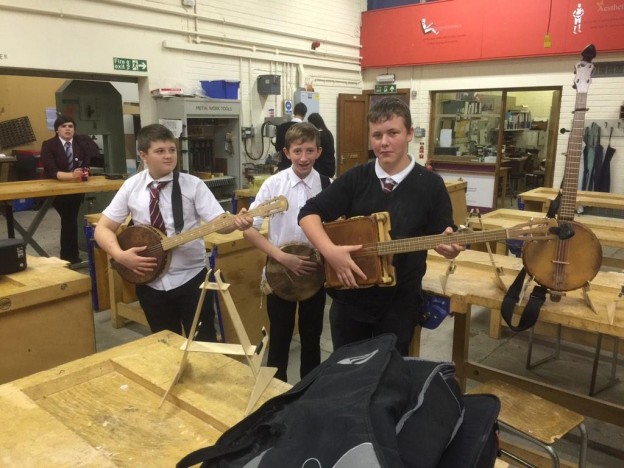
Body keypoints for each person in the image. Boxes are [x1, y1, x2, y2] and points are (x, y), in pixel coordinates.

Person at [298, 96, 463, 356]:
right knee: (349, 374)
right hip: (350, 301)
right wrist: (330, 252)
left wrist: (450, 248)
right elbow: (308, 213)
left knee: (390, 375)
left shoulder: (430, 185)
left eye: (392, 133)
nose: (383, 143)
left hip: (400, 304)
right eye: (376, 135)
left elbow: (445, 235)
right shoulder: (355, 178)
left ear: (409, 133)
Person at [94, 123, 252, 341]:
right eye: (160, 151)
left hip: (191, 279)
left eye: (172, 150)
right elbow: (102, 228)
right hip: (149, 282)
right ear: (143, 155)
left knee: (204, 344)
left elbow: (219, 223)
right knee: (165, 345)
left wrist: (236, 223)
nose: (169, 156)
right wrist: (121, 256)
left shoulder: (193, 185)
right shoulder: (132, 186)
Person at [244, 123, 328, 382]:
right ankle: (276, 395)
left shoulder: (328, 184)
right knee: (279, 338)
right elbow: (249, 229)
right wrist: (281, 257)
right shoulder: (273, 185)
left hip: (315, 273)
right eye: (297, 151)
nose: (304, 158)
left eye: (310, 151)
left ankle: (309, 393)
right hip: (280, 272)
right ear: (286, 152)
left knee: (312, 338)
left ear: (319, 152)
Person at [41, 115, 100, 265]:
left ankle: (70, 256)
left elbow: (87, 164)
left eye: (70, 126)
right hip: (55, 188)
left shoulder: (82, 143)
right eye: (63, 126)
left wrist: (82, 174)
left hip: (76, 188)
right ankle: (70, 256)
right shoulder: (48, 145)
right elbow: (51, 171)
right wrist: (71, 175)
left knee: (70, 220)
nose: (67, 129)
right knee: (69, 219)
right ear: (57, 130)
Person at [276, 102, 307, 171]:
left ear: (294, 112)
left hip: (285, 165)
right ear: (304, 114)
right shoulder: (306, 129)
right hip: (300, 165)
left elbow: (277, 147)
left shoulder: (282, 127)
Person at [307, 112, 336, 178]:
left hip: (321, 167)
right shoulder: (328, 132)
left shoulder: (319, 136)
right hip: (331, 165)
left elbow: (316, 154)